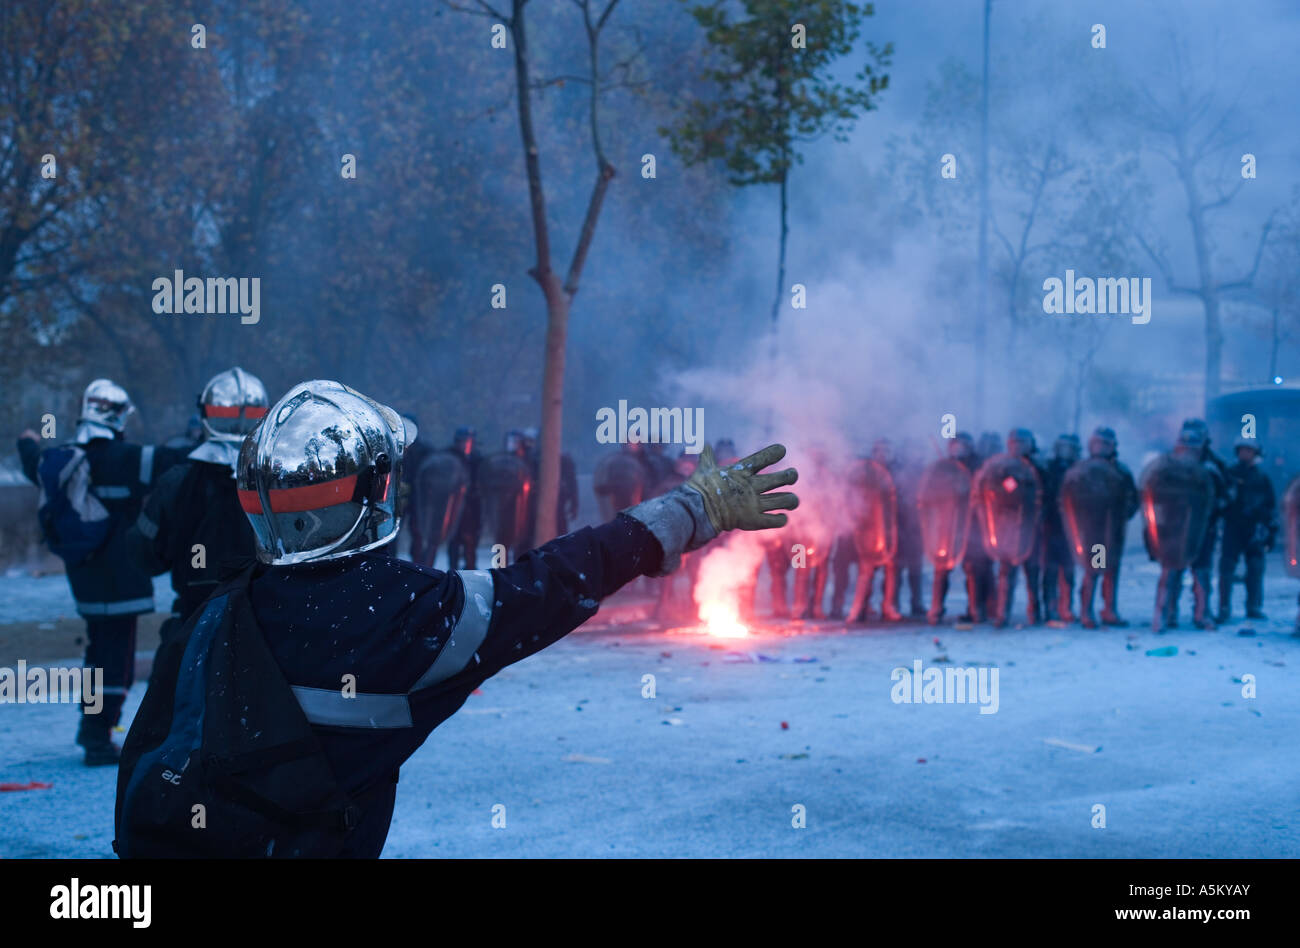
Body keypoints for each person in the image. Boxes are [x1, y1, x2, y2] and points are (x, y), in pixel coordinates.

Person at [117, 380, 798, 857]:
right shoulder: (406, 616)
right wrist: (689, 509)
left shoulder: (210, 617)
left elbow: (141, 771)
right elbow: (552, 582)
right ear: (371, 497)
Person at [17, 379, 187, 765]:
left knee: (98, 655)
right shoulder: (124, 457)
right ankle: (97, 736)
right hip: (122, 579)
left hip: (85, 578)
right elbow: (174, 464)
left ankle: (91, 727)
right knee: (116, 661)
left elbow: (32, 462)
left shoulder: (61, 458)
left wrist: (27, 440)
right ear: (117, 415)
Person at [126, 368, 268, 658]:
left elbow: (145, 556)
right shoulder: (278, 480)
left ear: (205, 414)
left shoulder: (175, 482)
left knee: (174, 700)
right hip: (265, 631)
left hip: (193, 628)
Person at [1165, 420, 1231, 629]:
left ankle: (1202, 612)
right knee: (1174, 568)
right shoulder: (1170, 463)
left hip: (1204, 525)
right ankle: (1169, 611)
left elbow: (1227, 494)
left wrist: (1218, 506)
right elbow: (1158, 490)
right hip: (1176, 524)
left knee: (1201, 569)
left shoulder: (1215, 465)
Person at [1076, 426, 1138, 627]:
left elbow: (1133, 498)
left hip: (1114, 530)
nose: (1101, 447)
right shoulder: (1084, 471)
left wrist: (1123, 514)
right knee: (1095, 568)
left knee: (1112, 569)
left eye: (1105, 444)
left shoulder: (1121, 471)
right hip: (1095, 531)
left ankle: (1109, 610)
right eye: (1097, 443)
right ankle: (1087, 611)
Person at [1217, 437, 1277, 622]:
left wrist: (1271, 529)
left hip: (1254, 529)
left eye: (1249, 451)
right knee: (1227, 569)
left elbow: (1270, 504)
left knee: (1255, 569)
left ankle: (1253, 607)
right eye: (1242, 450)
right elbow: (1219, 500)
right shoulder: (1229, 474)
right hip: (1233, 528)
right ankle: (1224, 608)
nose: (1245, 454)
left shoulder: (1262, 477)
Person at [925, 431, 978, 624]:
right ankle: (936, 610)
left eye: (964, 445)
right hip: (946, 524)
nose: (960, 448)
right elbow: (930, 492)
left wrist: (967, 490)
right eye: (956, 445)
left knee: (971, 567)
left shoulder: (977, 466)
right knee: (941, 567)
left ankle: (974, 610)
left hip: (970, 524)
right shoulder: (942, 468)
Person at [1041, 434, 1080, 623]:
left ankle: (1067, 607)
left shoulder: (1082, 470)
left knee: (1072, 570)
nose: (1066, 452)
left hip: (1076, 530)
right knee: (1050, 570)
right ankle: (1050, 607)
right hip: (1051, 526)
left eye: (1070, 448)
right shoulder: (1047, 469)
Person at [444, 426, 482, 569]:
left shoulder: (478, 460)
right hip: (453, 506)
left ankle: (471, 572)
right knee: (453, 542)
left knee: (471, 543)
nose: (467, 445)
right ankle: (453, 574)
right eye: (464, 441)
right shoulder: (450, 458)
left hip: (472, 508)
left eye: (470, 441)